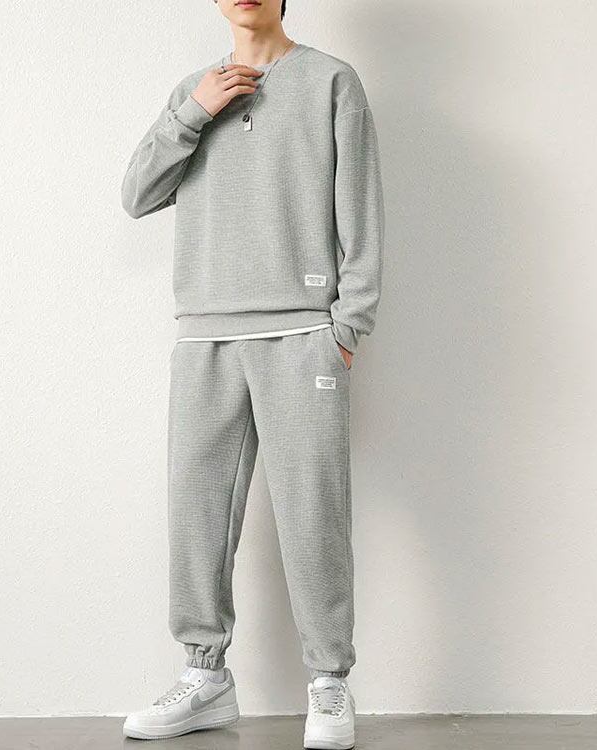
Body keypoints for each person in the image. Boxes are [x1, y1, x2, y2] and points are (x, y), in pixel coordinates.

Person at [120, 1, 384, 747]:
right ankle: (204, 676)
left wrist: (348, 324)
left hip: (303, 332)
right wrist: (195, 112)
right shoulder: (193, 89)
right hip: (205, 332)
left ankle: (329, 681)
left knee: (313, 511)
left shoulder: (331, 81)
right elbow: (137, 194)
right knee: (197, 512)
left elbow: (361, 208)